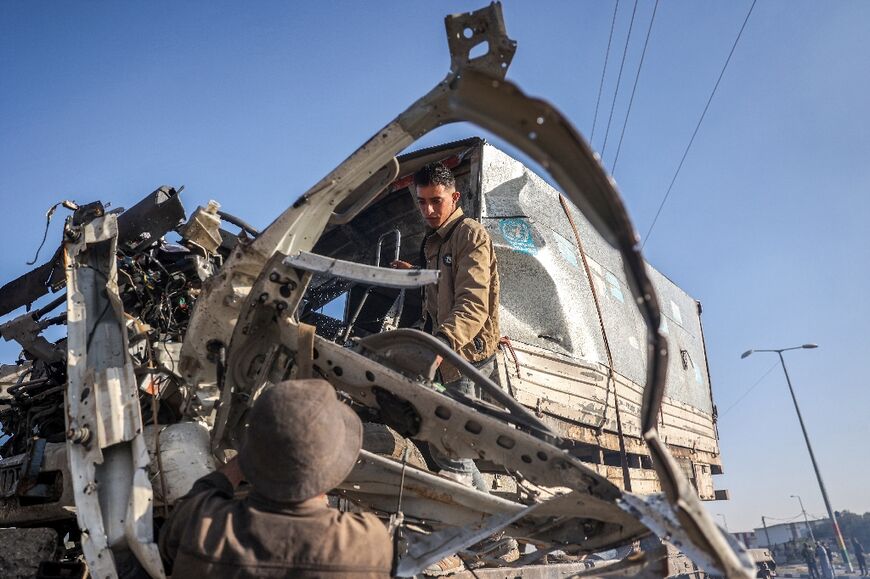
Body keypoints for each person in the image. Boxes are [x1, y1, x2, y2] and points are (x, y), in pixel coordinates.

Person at [159, 379, 393, 578]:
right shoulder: (365, 543)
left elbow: (173, 538)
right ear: (334, 468)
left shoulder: (200, 524)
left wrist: (252, 455)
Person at [392, 161, 500, 489]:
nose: (427, 209)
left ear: (454, 197)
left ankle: (493, 533)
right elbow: (442, 286)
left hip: (466, 355)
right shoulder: (434, 241)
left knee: (450, 446)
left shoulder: (470, 234)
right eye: (422, 202)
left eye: (435, 201)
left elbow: (472, 304)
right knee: (441, 441)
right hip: (447, 348)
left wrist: (440, 345)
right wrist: (413, 272)